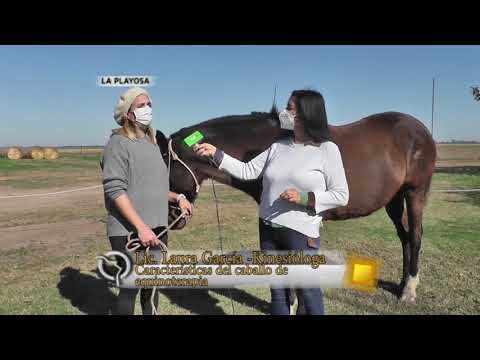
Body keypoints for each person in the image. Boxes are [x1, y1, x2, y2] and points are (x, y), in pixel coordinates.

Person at [193, 89, 349, 315]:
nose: (284, 112)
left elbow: (341, 194)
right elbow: (247, 171)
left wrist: (305, 198)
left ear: (307, 113)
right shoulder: (278, 146)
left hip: (301, 234)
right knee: (278, 291)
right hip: (267, 230)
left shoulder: (327, 150)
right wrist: (217, 153)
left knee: (308, 291)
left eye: (290, 108)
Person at [100, 86, 193, 315]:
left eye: (149, 104)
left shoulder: (151, 144)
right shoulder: (117, 143)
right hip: (130, 231)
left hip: (157, 228)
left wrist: (178, 197)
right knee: (131, 287)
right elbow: (115, 189)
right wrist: (141, 228)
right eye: (141, 105)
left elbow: (154, 187)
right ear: (128, 113)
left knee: (151, 287)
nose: (147, 108)